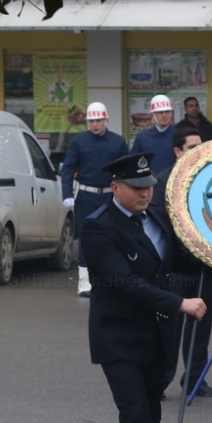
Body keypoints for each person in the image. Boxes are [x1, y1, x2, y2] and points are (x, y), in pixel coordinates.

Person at [81, 152, 207, 423]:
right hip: (118, 336)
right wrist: (179, 302)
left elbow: (178, 263)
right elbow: (124, 282)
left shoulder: (155, 217)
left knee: (149, 416)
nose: (145, 192)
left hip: (157, 336)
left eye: (149, 185)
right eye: (136, 187)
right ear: (115, 187)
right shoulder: (98, 227)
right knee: (135, 415)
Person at [152, 127, 212, 398]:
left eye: (201, 146)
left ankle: (195, 379)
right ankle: (160, 380)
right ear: (178, 151)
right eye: (193, 147)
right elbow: (162, 228)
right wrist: (188, 251)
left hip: (205, 269)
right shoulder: (163, 182)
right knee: (168, 329)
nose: (199, 152)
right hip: (175, 270)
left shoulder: (210, 181)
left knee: (200, 327)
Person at [60, 102, 128, 297]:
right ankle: (84, 280)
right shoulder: (79, 142)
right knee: (86, 237)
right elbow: (68, 168)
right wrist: (67, 194)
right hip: (86, 196)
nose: (95, 124)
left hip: (111, 195)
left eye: (98, 120)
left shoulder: (117, 142)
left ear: (106, 120)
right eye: (91, 121)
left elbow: (126, 170)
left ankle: (114, 278)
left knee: (114, 236)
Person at [130, 94, 177, 176]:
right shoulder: (142, 137)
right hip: (149, 185)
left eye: (167, 111)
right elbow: (132, 163)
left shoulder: (179, 135)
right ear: (152, 115)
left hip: (172, 184)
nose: (164, 115)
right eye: (160, 112)